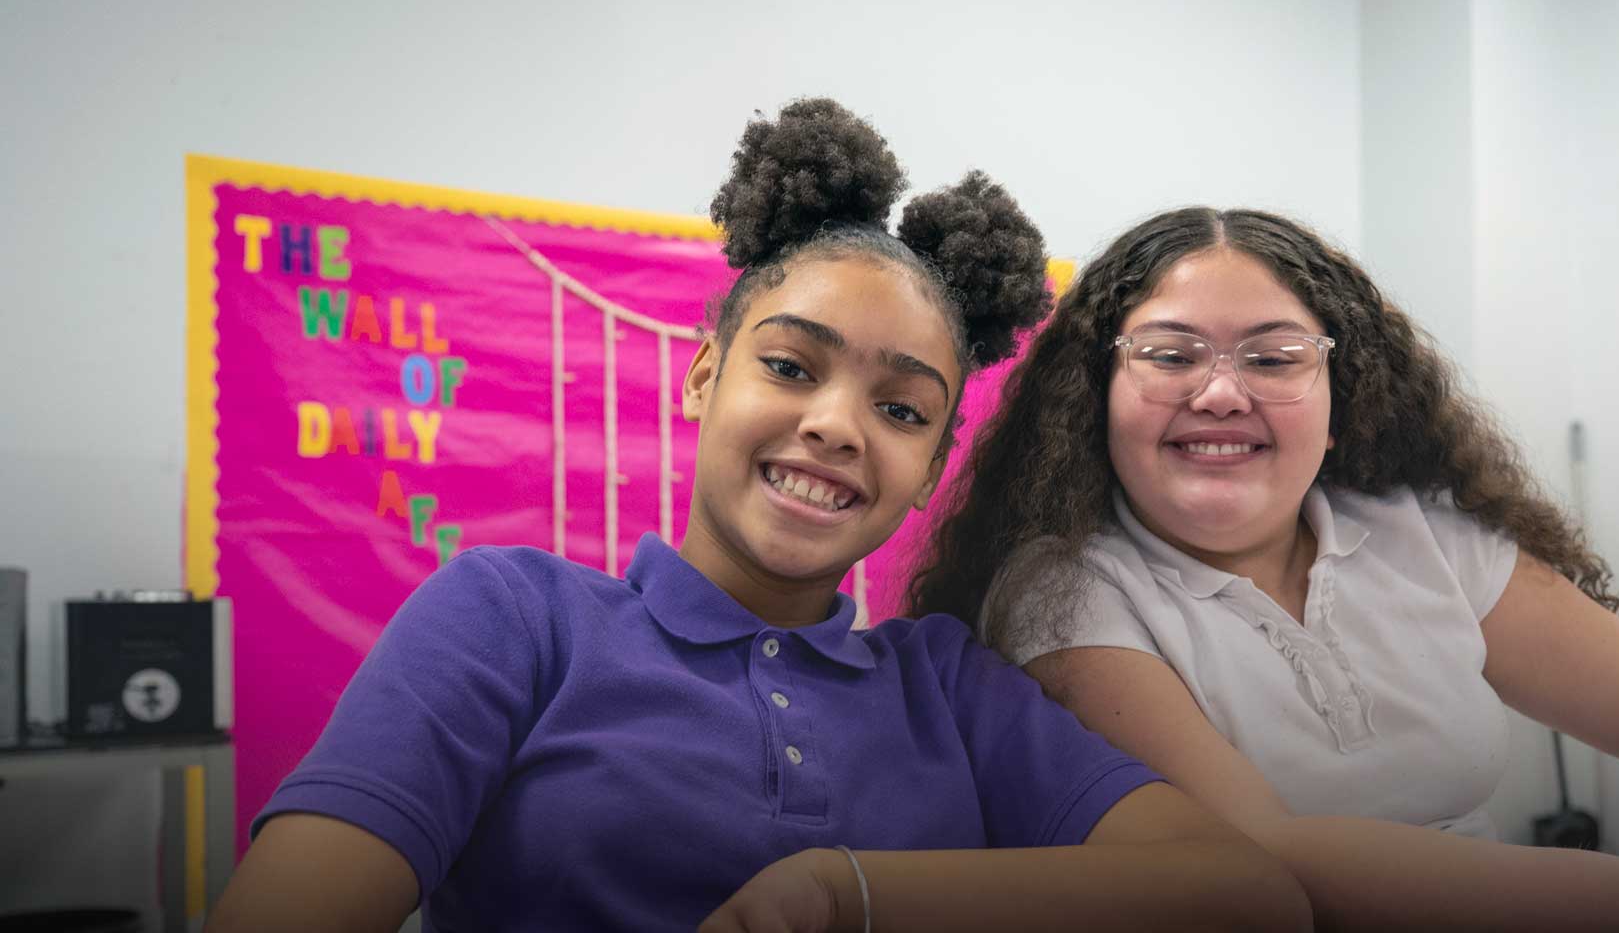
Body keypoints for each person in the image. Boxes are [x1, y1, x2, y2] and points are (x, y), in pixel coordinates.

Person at [208, 105, 1310, 933]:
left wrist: (852, 891)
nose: (836, 426)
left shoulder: (948, 685)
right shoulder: (511, 617)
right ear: (702, 377)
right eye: (789, 365)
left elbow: (1245, 894)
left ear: (929, 468)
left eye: (899, 408)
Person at [911, 206, 1619, 932]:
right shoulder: (1062, 590)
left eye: (1273, 356)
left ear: (1342, 400)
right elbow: (1263, 859)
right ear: (1092, 395)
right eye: (1169, 352)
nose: (1219, 391)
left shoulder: (1417, 532)